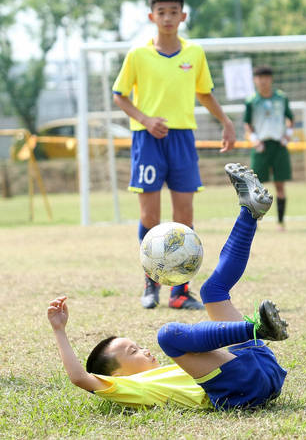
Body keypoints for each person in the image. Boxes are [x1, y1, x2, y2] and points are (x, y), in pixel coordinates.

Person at [48, 163, 288, 410]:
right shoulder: (130, 387)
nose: (144, 350)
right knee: (167, 335)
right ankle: (257, 329)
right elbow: (79, 377)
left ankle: (249, 212)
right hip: (243, 388)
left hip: (260, 366)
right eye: (133, 352)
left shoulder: (178, 368)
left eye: (138, 346)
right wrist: (59, 330)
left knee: (212, 291)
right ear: (116, 377)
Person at [112, 0, 236, 310]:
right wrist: (145, 118)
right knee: (149, 216)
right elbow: (119, 95)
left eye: (173, 12)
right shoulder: (137, 55)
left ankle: (180, 291)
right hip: (147, 139)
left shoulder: (194, 54)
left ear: (183, 16)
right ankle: (151, 283)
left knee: (184, 216)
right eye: (161, 12)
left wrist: (226, 121)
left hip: (182, 139)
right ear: (152, 16)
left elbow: (204, 92)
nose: (167, 18)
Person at [243, 65, 294, 231]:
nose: (263, 81)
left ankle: (280, 222)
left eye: (266, 77)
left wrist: (288, 134)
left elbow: (290, 118)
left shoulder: (281, 98)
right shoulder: (251, 100)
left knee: (280, 185)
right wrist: (254, 139)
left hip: (278, 146)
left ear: (270, 79)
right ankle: (254, 223)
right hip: (261, 147)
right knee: (256, 185)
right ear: (255, 80)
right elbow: (247, 124)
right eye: (259, 78)